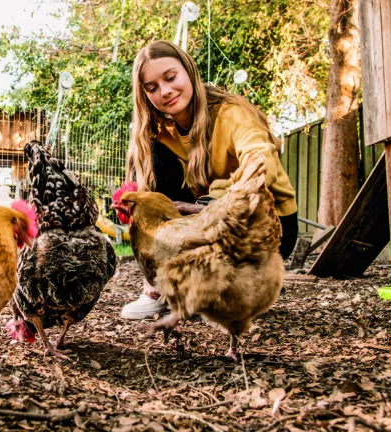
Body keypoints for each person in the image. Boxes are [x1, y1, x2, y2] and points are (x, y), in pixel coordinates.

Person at [120, 40, 298, 320]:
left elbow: (260, 162)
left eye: (170, 77)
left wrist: (213, 203)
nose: (165, 91)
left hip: (266, 223)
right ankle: (158, 287)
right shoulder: (160, 130)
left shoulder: (232, 113)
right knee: (148, 160)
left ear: (189, 71)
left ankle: (237, 289)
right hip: (208, 225)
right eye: (151, 87)